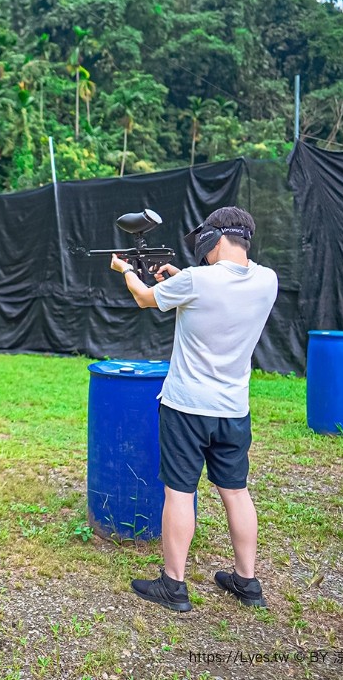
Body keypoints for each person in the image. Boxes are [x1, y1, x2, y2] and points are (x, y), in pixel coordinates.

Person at [110, 206, 278, 612]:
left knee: (180, 493)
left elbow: (144, 298)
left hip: (187, 407)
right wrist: (180, 277)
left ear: (214, 239)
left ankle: (173, 585)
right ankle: (247, 582)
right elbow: (215, 289)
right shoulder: (267, 280)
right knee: (236, 492)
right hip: (233, 409)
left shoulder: (196, 281)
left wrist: (125, 269)